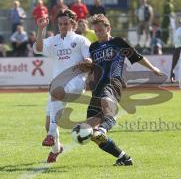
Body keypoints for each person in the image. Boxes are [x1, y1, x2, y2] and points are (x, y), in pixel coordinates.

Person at [77, 14, 163, 166]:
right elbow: (94, 68)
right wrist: (87, 80)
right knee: (89, 131)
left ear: (108, 28)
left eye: (101, 30)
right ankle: (124, 157)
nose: (98, 34)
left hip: (113, 82)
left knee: (105, 108)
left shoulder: (118, 42)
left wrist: (153, 68)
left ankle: (106, 125)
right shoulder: (94, 47)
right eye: (96, 31)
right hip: (96, 87)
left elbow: (137, 57)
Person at [33, 9, 91, 163]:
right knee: (48, 123)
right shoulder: (54, 40)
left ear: (74, 24)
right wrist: (41, 29)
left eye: (66, 23)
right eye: (60, 23)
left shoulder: (81, 40)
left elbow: (89, 61)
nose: (63, 26)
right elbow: (38, 48)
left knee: (55, 88)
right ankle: (56, 149)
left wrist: (87, 62)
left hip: (77, 82)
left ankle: (51, 136)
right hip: (58, 86)